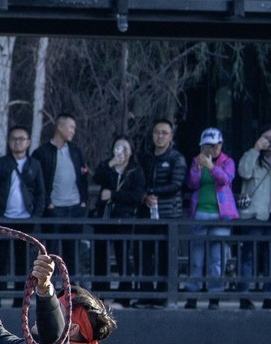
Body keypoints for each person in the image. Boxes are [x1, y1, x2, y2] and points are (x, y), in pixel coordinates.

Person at [0, 125, 45, 299]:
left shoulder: (35, 165)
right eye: (14, 139)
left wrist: (36, 216)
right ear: (9, 142)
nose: (18, 142)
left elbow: (41, 192)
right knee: (0, 260)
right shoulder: (0, 164)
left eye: (21, 139)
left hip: (26, 220)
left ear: (28, 142)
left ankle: (21, 299)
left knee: (23, 261)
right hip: (4, 219)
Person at [235, 124, 271, 311]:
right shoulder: (250, 156)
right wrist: (255, 150)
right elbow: (244, 172)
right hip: (254, 214)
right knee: (248, 257)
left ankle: (269, 296)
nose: (268, 142)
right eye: (265, 138)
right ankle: (244, 297)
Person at [182, 127, 238, 309]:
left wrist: (212, 167)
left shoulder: (227, 162)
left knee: (217, 258)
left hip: (220, 215)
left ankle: (215, 296)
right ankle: (192, 294)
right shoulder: (197, 161)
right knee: (196, 257)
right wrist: (197, 169)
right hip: (200, 212)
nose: (211, 150)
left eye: (214, 146)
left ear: (221, 145)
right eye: (207, 146)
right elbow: (191, 184)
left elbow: (226, 180)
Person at [137, 120, 188, 306]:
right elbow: (138, 181)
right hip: (146, 213)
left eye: (164, 133)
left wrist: (154, 193)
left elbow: (176, 184)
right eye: (157, 132)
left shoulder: (177, 158)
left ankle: (165, 296)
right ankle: (146, 295)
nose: (160, 136)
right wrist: (144, 196)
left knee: (166, 256)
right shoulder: (146, 157)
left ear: (170, 136)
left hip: (168, 214)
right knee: (145, 254)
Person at [32, 113, 91, 272]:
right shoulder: (42, 152)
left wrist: (83, 201)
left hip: (75, 208)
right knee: (51, 251)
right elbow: (38, 180)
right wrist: (47, 203)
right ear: (60, 127)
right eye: (71, 127)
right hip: (54, 209)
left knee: (72, 251)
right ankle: (48, 288)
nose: (73, 131)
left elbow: (83, 176)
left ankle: (71, 290)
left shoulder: (75, 151)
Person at [91, 137, 145, 302]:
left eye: (125, 148)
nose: (121, 151)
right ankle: (99, 296)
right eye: (118, 147)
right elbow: (96, 178)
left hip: (124, 218)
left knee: (123, 257)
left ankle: (124, 296)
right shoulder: (108, 165)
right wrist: (111, 164)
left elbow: (136, 196)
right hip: (104, 217)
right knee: (100, 256)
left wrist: (113, 195)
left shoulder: (135, 170)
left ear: (131, 151)